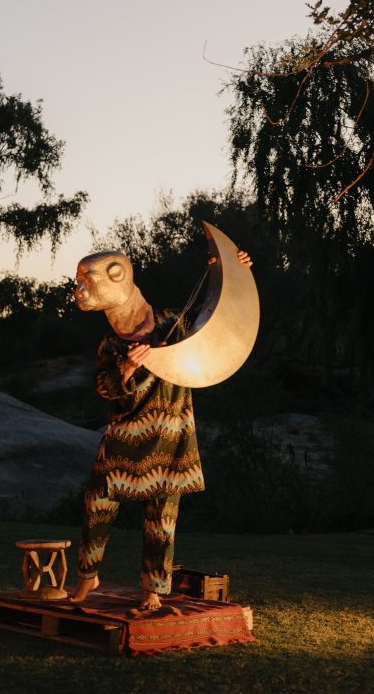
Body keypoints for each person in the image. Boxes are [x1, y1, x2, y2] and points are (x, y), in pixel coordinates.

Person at [69, 245, 252, 611]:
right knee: (98, 498)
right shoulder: (111, 343)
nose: (80, 289)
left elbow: (216, 317)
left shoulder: (172, 323)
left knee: (162, 516)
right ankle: (88, 574)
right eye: (79, 281)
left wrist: (235, 272)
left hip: (170, 432)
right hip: (126, 432)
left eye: (89, 281)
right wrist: (125, 371)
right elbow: (104, 387)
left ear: (119, 276)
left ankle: (154, 590)